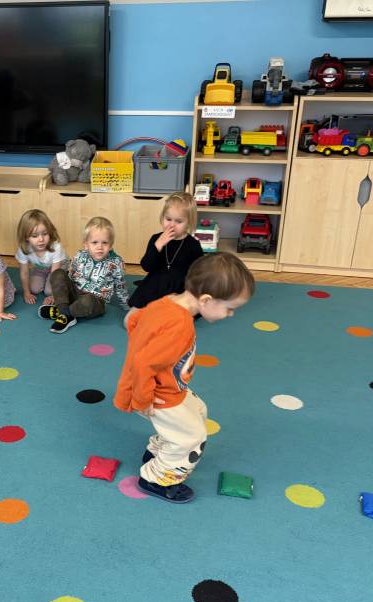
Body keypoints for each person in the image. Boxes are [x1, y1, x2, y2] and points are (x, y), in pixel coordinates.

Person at [113, 252, 255, 503]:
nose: (230, 315)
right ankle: (157, 478)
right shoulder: (180, 325)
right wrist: (143, 398)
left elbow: (135, 319)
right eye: (229, 309)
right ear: (206, 299)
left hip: (169, 387)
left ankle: (159, 450)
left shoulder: (168, 301)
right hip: (157, 394)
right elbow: (143, 363)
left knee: (199, 410)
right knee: (193, 437)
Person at [40, 217, 129, 334]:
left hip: (95, 301)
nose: (100, 247)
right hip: (75, 292)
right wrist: (57, 295)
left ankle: (64, 314)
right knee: (58, 273)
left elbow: (120, 285)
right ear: (86, 244)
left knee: (88, 301)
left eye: (105, 243)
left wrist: (126, 305)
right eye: (94, 242)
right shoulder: (80, 255)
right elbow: (70, 275)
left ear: (111, 245)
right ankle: (63, 309)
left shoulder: (116, 263)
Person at [127, 191, 203, 323]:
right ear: (162, 217)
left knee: (175, 319)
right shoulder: (156, 239)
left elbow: (199, 274)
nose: (172, 225)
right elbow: (146, 266)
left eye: (179, 221)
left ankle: (161, 320)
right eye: (168, 219)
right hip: (154, 287)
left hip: (178, 291)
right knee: (129, 320)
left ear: (188, 223)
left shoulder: (193, 245)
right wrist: (158, 245)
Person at [14, 209, 66, 307]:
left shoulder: (56, 246)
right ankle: (44, 279)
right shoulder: (23, 249)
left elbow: (55, 273)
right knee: (34, 289)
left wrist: (54, 295)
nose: (41, 239)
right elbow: (24, 273)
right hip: (41, 268)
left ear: (50, 232)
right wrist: (26, 293)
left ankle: (67, 277)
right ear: (26, 237)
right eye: (35, 236)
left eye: (45, 234)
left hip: (59, 268)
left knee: (49, 291)